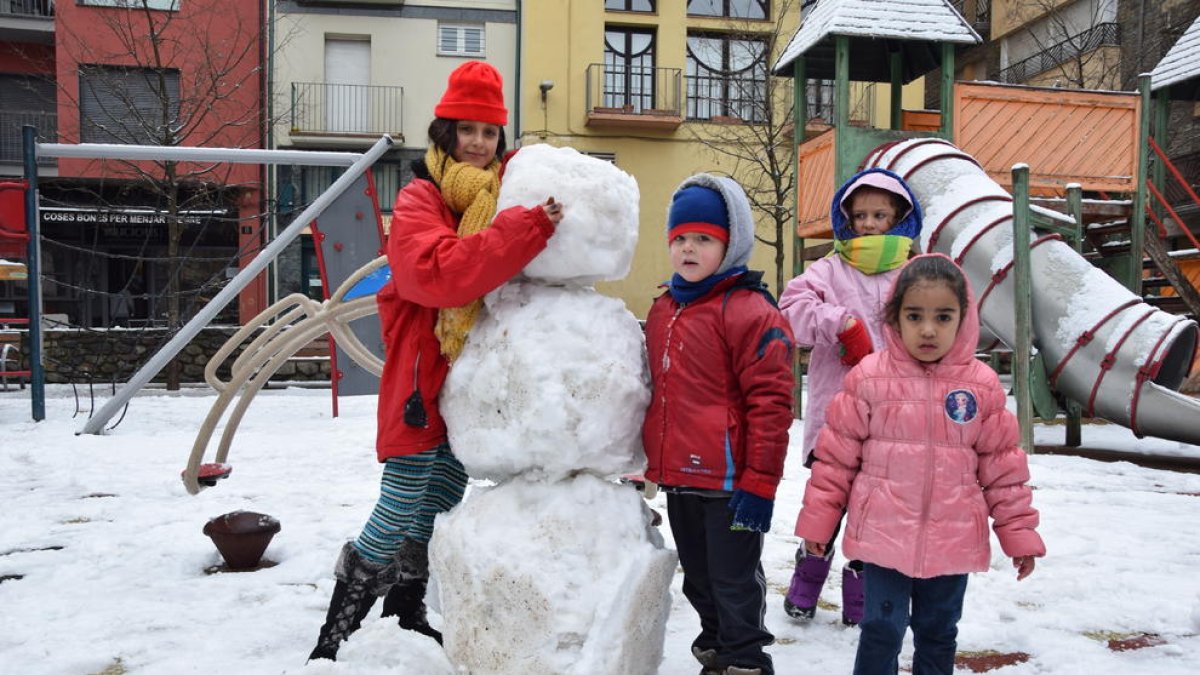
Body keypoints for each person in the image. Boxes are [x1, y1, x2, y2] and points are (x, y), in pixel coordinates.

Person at [308, 60, 563, 662]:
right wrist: (524, 232)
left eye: (489, 132)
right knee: (400, 502)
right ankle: (334, 635)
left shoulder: (502, 197)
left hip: (466, 385)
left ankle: (406, 611)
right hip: (420, 381)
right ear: (445, 132)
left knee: (441, 499)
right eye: (466, 129)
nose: (478, 142)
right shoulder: (421, 198)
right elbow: (438, 275)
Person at [794, 253, 1045, 675]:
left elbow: (1003, 471)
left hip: (952, 538)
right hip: (882, 535)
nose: (928, 329)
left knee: (939, 631)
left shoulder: (980, 387)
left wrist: (1018, 533)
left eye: (943, 317)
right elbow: (835, 462)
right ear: (894, 317)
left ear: (963, 319)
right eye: (914, 316)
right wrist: (819, 525)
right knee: (881, 628)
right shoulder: (869, 379)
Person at [642, 174, 795, 675]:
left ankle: (745, 659)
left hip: (731, 483)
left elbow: (771, 405)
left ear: (732, 245)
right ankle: (716, 652)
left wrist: (760, 485)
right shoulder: (665, 308)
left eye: (704, 239)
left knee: (734, 580)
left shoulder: (750, 311)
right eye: (681, 237)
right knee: (699, 579)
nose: (689, 248)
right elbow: (654, 392)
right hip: (681, 478)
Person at [778, 168, 922, 625]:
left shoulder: (914, 272)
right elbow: (790, 310)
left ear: (898, 217)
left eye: (880, 215)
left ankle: (861, 595)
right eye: (860, 216)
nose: (869, 224)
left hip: (894, 419)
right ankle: (808, 576)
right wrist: (840, 323)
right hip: (837, 416)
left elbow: (940, 322)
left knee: (873, 512)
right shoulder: (829, 269)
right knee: (828, 504)